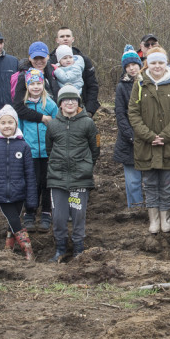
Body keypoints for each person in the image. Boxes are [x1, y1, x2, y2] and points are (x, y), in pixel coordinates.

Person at [128, 48, 170, 234]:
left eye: (160, 62)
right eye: (153, 63)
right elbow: (133, 113)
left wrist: (165, 136)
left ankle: (165, 219)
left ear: (166, 63)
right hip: (146, 145)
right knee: (151, 184)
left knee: (168, 185)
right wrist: (150, 136)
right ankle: (153, 220)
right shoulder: (139, 84)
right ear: (148, 64)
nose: (157, 66)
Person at [45, 85, 100, 262]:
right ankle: (60, 249)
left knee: (78, 216)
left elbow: (95, 149)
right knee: (59, 217)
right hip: (57, 179)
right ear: (60, 104)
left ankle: (78, 249)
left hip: (80, 179)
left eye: (73, 99)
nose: (70, 102)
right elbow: (49, 149)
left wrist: (86, 166)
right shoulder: (53, 125)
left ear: (78, 102)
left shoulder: (88, 123)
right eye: (66, 100)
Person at [0, 105, 37, 261]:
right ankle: (28, 250)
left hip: (19, 192)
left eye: (10, 122)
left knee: (12, 221)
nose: (7, 126)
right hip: (1, 193)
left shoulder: (23, 146)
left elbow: (30, 174)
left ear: (16, 124)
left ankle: (8, 249)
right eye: (3, 122)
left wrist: (31, 200)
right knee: (14, 220)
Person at [16, 68, 57, 231]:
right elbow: (19, 128)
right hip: (30, 151)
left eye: (38, 83)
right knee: (31, 182)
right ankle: (30, 213)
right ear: (27, 85)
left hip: (47, 152)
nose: (35, 87)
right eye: (32, 84)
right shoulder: (23, 106)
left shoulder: (50, 104)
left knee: (46, 182)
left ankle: (46, 213)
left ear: (43, 85)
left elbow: (57, 124)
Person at [113, 46, 144, 210]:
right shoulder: (121, 87)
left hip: (147, 137)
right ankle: (136, 209)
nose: (132, 68)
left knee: (150, 178)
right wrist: (132, 136)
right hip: (128, 140)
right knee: (132, 180)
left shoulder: (147, 83)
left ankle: (150, 207)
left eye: (134, 64)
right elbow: (120, 114)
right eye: (128, 65)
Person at [52, 27, 99, 116]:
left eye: (68, 36)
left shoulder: (83, 60)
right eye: (62, 36)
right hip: (57, 108)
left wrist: (90, 110)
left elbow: (92, 85)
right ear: (57, 40)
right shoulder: (50, 60)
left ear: (72, 39)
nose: (65, 38)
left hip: (81, 105)